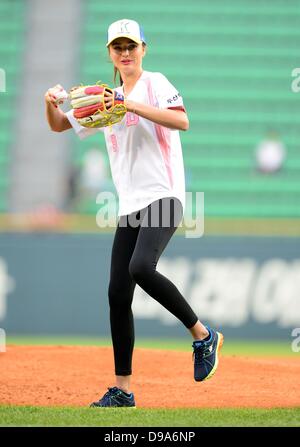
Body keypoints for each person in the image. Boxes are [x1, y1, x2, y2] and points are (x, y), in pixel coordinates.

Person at [44, 18, 224, 408]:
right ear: (109, 53)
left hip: (164, 196)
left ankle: (202, 335)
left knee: (140, 267)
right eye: (118, 48)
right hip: (130, 206)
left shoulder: (154, 84)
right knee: (117, 292)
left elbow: (182, 120)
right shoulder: (102, 98)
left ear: (144, 48)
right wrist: (50, 104)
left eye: (131, 46)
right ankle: (123, 390)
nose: (125, 53)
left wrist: (131, 104)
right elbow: (60, 125)